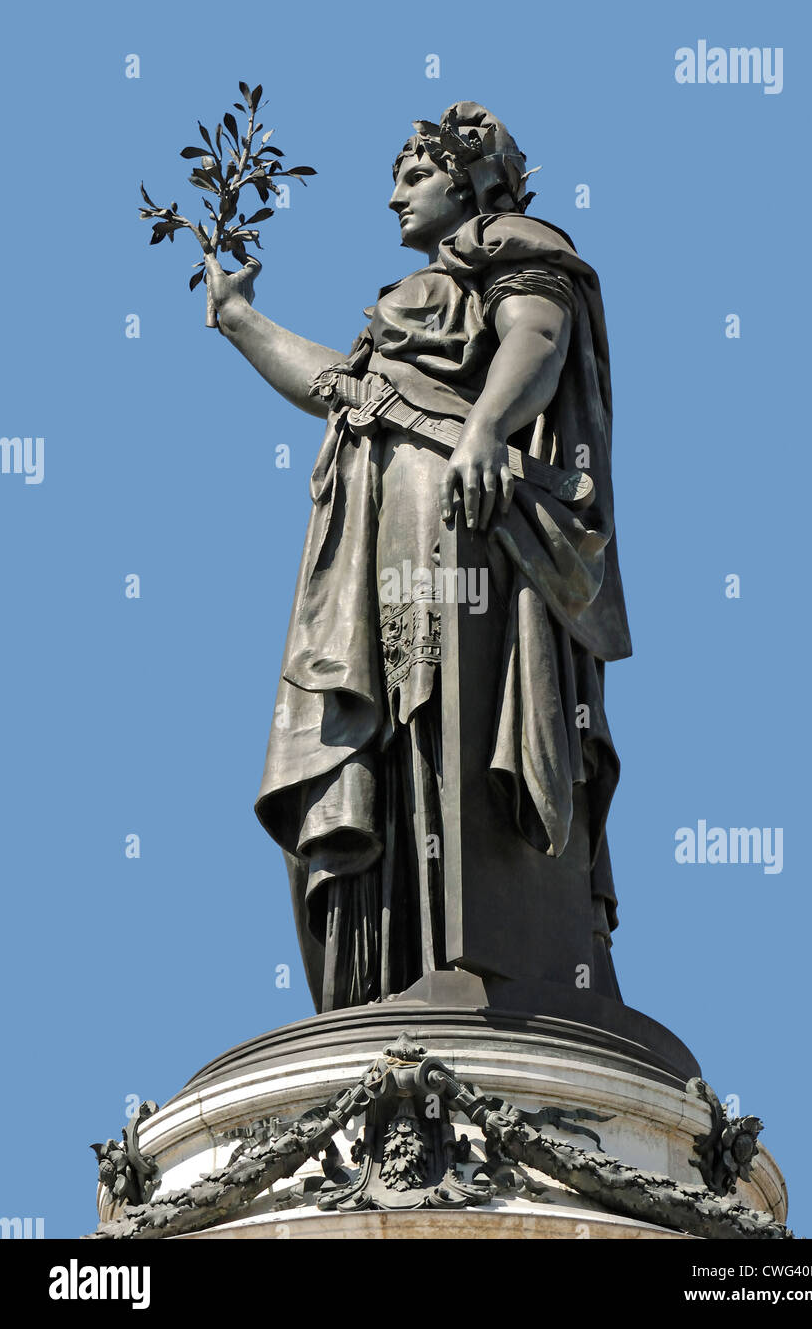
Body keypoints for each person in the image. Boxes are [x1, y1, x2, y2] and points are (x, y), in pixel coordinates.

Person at [204, 102, 631, 1014]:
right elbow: (338, 389)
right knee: (391, 727)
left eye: (412, 175)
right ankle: (392, 970)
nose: (395, 196)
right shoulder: (420, 294)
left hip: (463, 522)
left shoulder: (509, 245)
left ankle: (476, 960)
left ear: (468, 180)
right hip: (375, 536)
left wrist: (482, 429)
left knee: (453, 720)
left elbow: (538, 340)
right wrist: (241, 322)